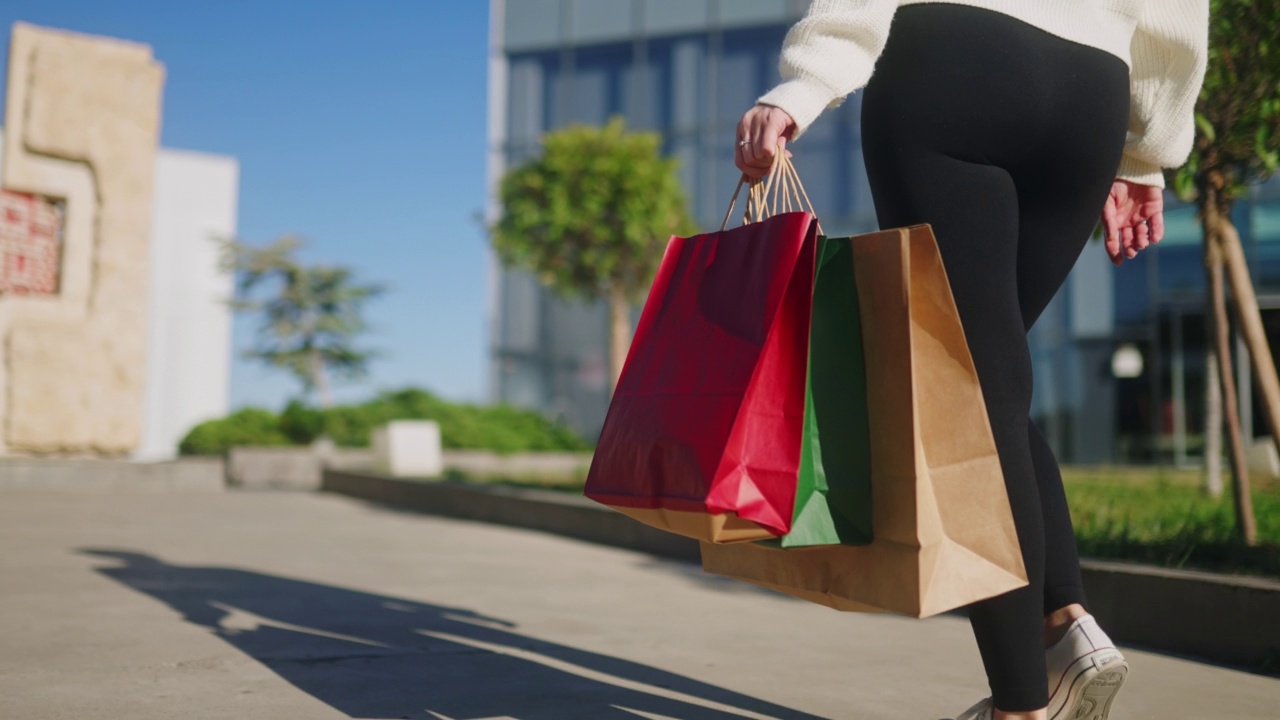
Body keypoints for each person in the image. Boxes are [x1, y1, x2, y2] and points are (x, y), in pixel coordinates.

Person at [734, 2, 1208, 720]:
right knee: (991, 379)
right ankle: (1063, 624)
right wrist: (1146, 153)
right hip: (1092, 93)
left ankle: (1020, 706)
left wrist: (805, 83)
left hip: (955, 60)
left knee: (968, 394)